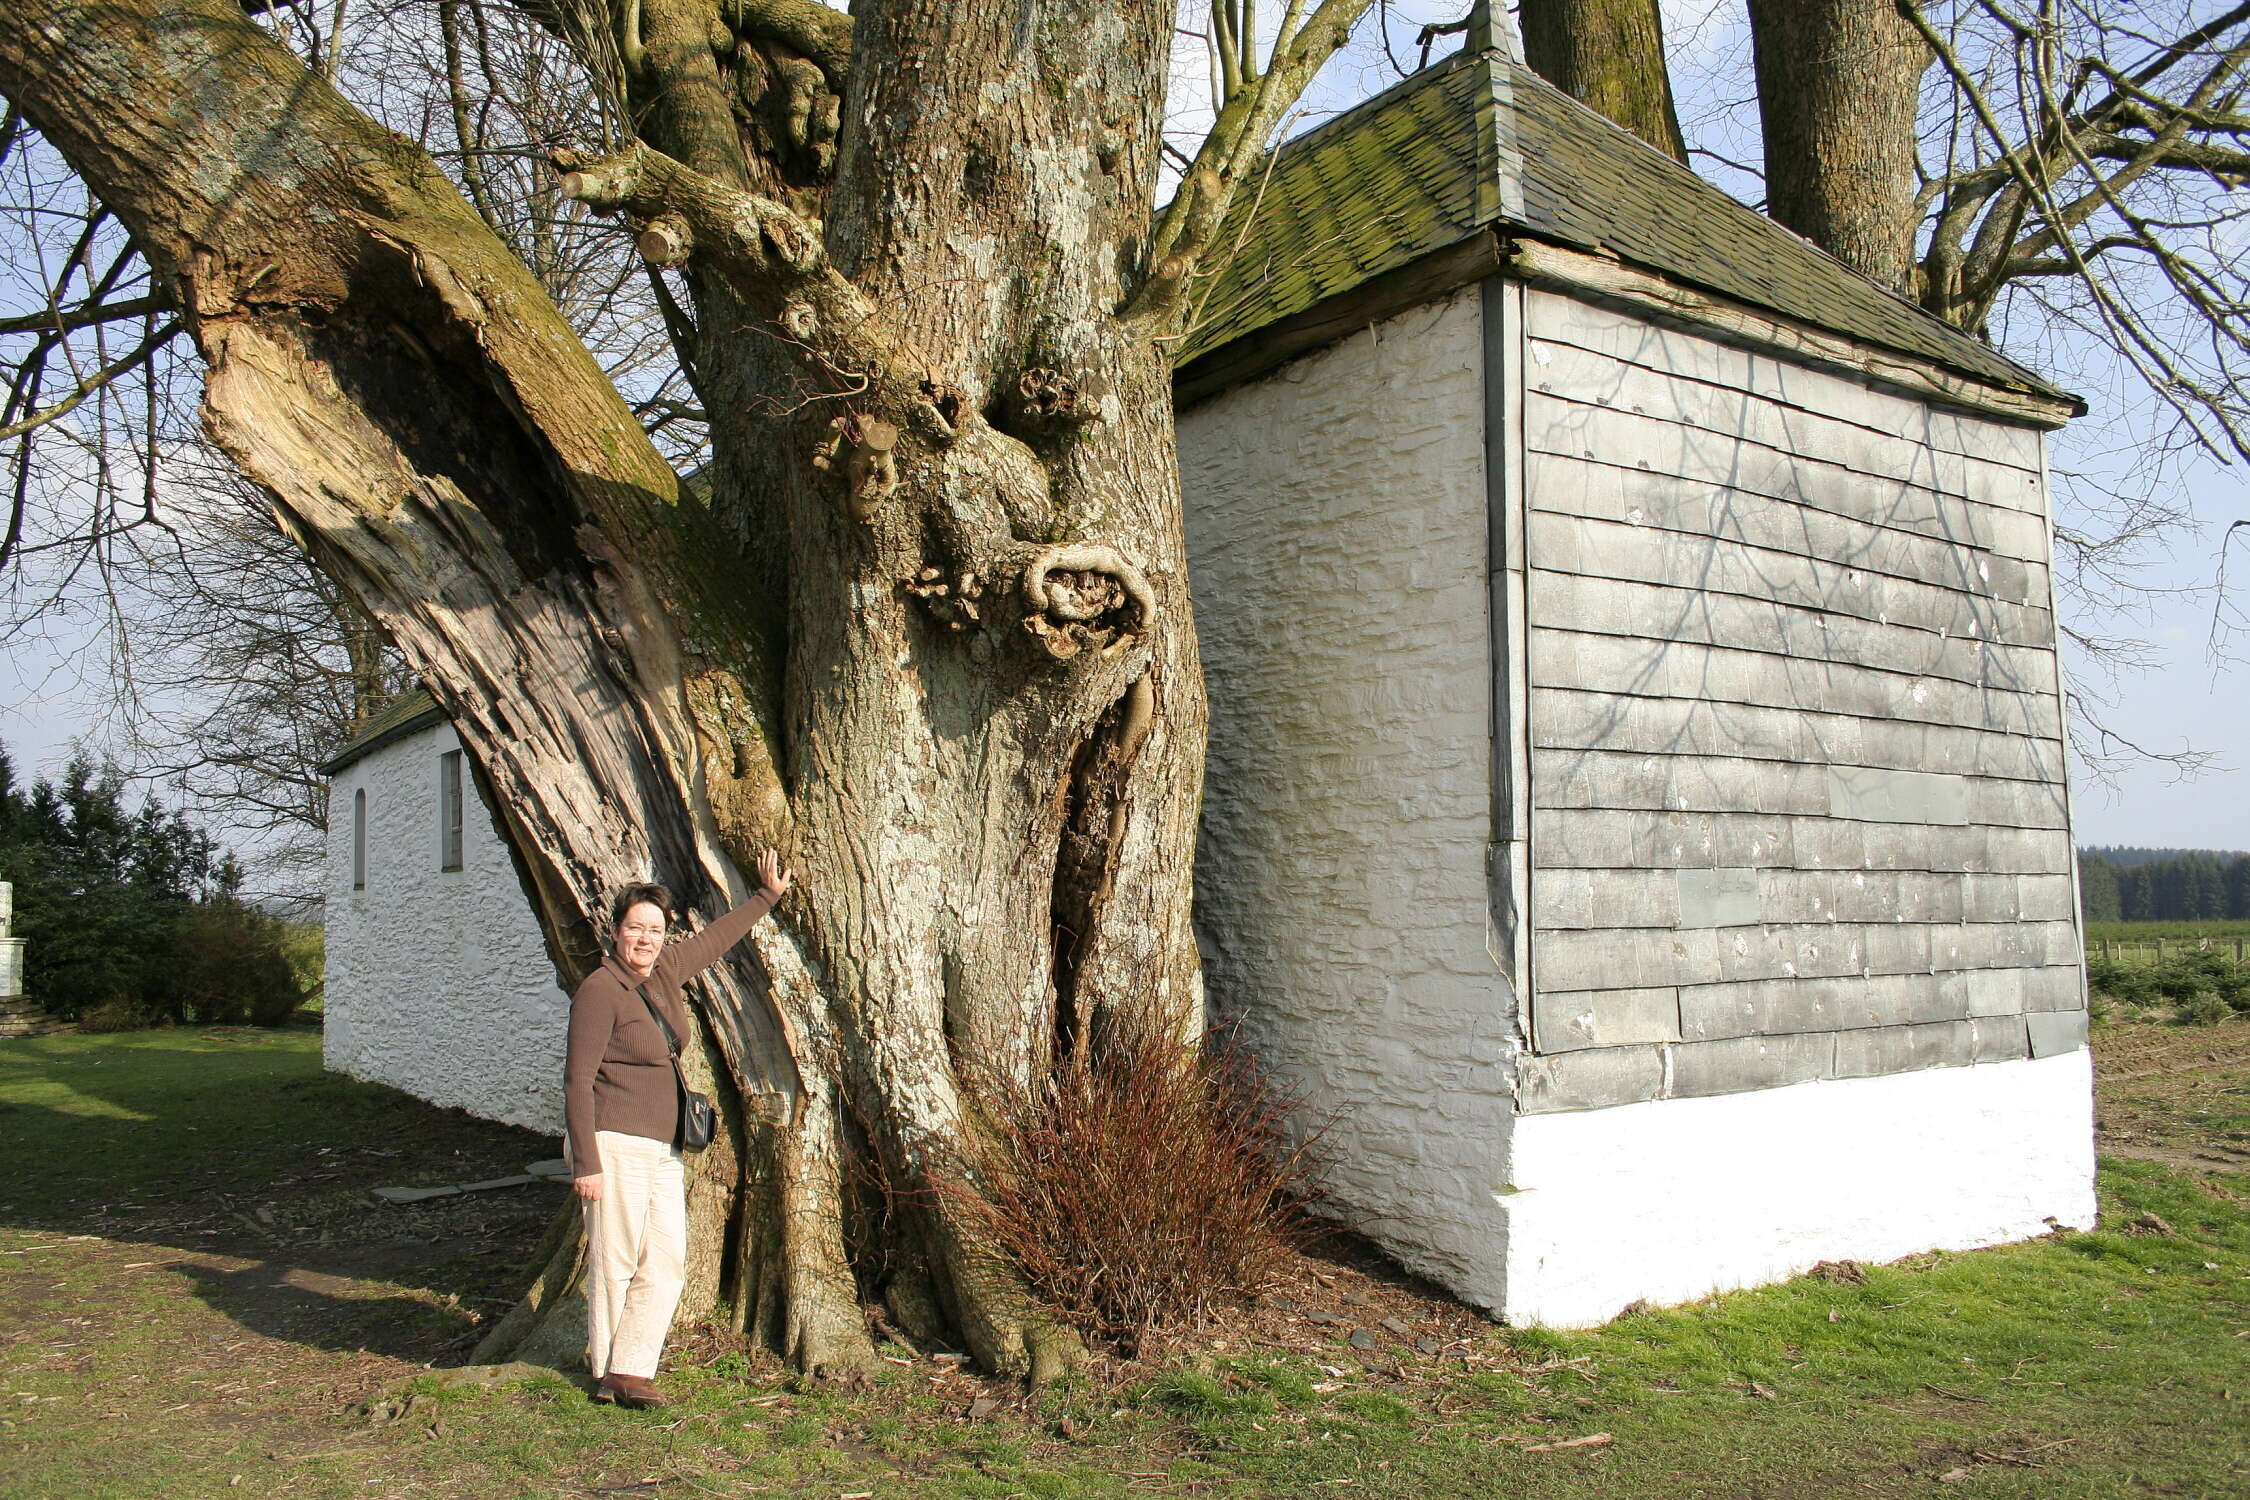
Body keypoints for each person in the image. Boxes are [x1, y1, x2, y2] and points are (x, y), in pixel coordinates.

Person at [564, 850, 790, 1408]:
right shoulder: (600, 990)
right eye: (635, 928)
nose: (645, 938)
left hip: (664, 1148)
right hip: (613, 1144)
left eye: (655, 930)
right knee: (615, 1257)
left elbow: (717, 939)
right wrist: (587, 1163)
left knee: (665, 1259)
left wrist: (766, 898)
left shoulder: (664, 973)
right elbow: (576, 1083)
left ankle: (631, 1366)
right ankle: (609, 1370)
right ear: (616, 931)